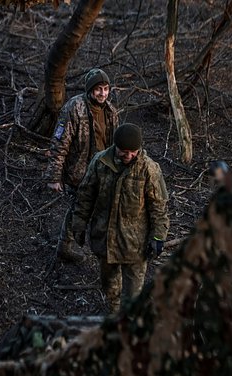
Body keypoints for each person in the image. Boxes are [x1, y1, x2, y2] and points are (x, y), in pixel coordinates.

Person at [71, 123, 169, 313]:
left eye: (133, 152)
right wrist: (79, 224)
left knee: (133, 296)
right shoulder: (100, 162)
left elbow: (158, 207)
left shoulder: (149, 169)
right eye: (124, 151)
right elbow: (85, 196)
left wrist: (158, 237)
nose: (129, 156)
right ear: (115, 146)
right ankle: (114, 315)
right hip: (105, 239)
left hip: (135, 244)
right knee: (110, 287)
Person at [45, 68, 119, 262]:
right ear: (89, 90)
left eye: (106, 89)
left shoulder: (111, 111)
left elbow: (115, 144)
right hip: (80, 172)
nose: (103, 94)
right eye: (98, 89)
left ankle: (99, 246)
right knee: (80, 207)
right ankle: (65, 246)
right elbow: (59, 143)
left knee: (98, 207)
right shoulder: (74, 108)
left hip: (104, 169)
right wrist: (54, 177)